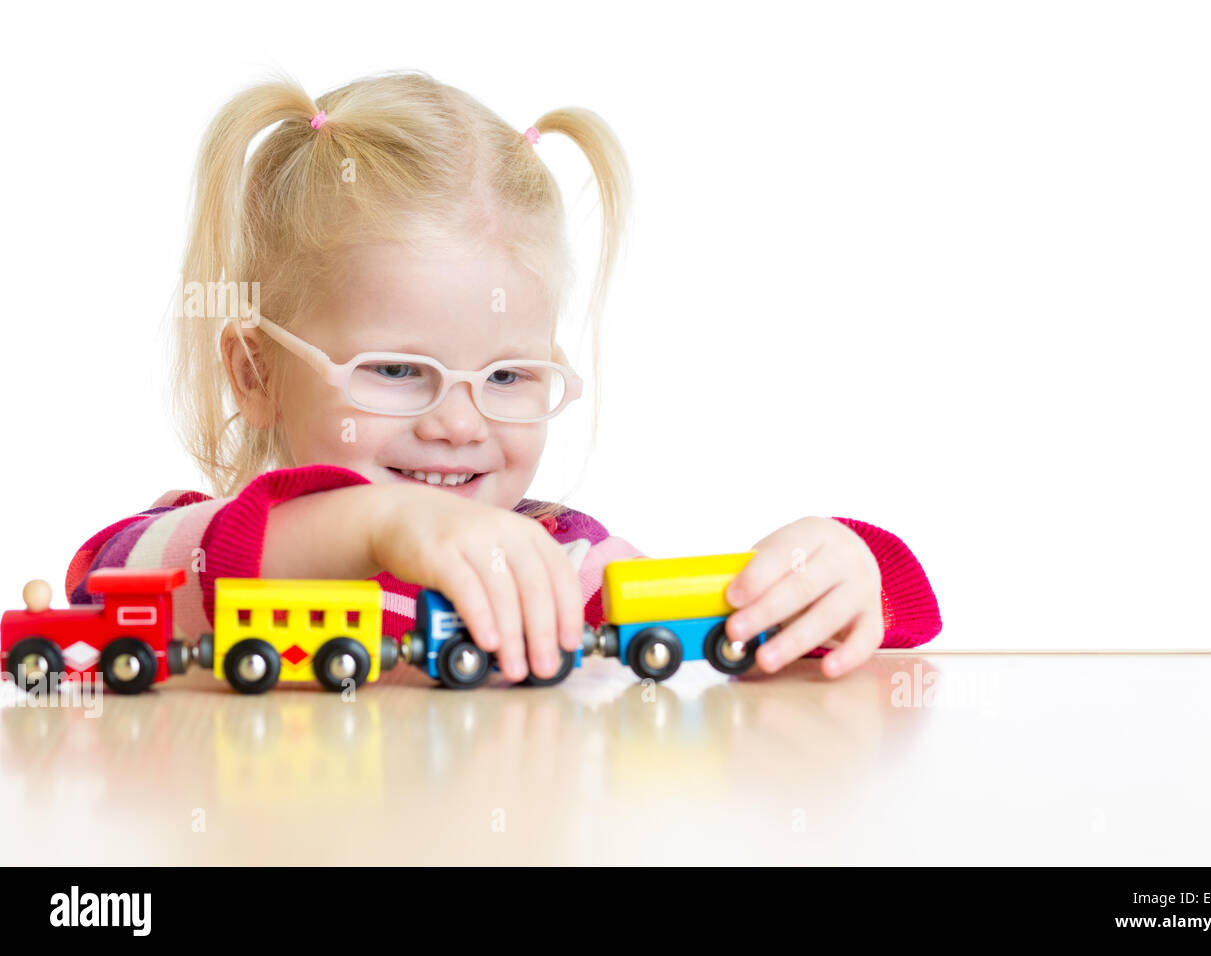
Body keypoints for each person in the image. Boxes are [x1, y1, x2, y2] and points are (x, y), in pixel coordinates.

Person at [67, 71, 942, 684]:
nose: (460, 423)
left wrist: (846, 570)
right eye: (399, 370)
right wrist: (372, 525)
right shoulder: (205, 545)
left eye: (510, 376)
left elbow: (735, 636)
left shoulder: (564, 560)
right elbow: (98, 583)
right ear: (255, 372)